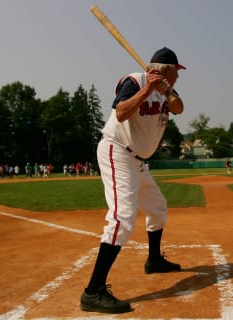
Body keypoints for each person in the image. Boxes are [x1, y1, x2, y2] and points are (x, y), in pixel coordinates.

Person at [80, 47, 186, 314]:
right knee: (122, 218)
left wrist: (164, 90)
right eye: (175, 72)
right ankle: (93, 292)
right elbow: (121, 113)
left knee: (157, 208)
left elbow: (180, 108)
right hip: (118, 150)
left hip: (138, 160)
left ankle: (153, 261)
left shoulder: (166, 93)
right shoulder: (134, 82)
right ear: (165, 70)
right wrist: (148, 89)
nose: (177, 77)